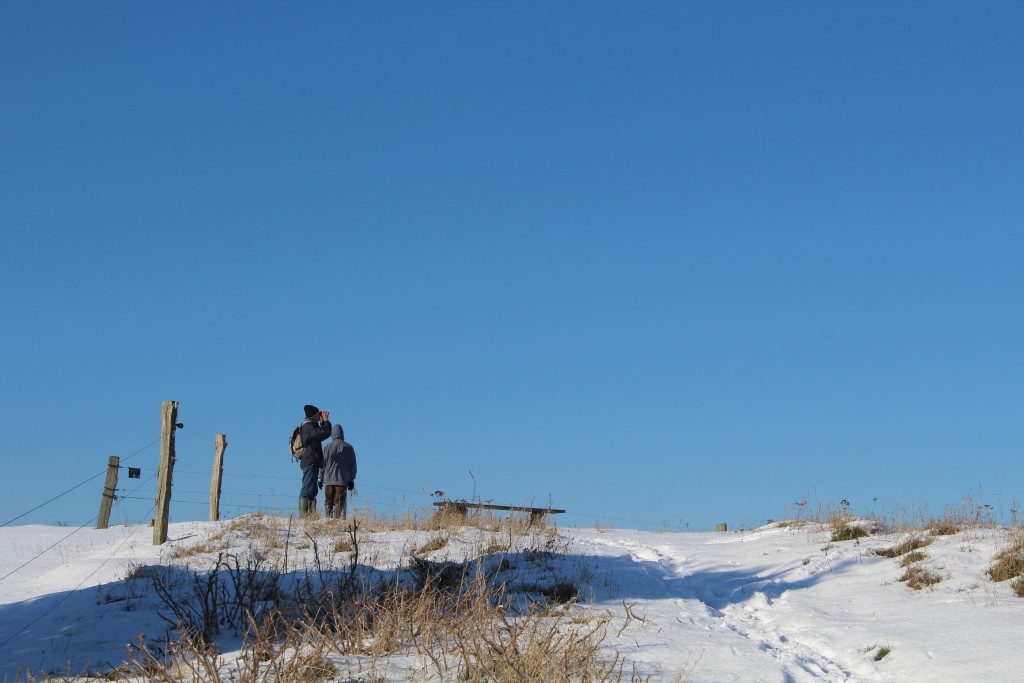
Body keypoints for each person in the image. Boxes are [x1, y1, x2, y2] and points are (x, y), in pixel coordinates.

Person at [298, 404, 331, 517]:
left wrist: (322, 422)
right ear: (313, 415)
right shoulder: (308, 427)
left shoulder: (310, 426)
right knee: (307, 489)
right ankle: (304, 516)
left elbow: (320, 433)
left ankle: (310, 515)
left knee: (311, 490)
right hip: (310, 460)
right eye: (318, 413)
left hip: (311, 461)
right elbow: (324, 433)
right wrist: (325, 421)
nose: (320, 415)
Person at [319, 423, 357, 519]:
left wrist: (320, 478)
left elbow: (321, 464)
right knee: (339, 501)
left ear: (332, 434)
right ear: (342, 433)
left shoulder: (327, 447)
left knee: (328, 501)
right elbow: (353, 465)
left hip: (328, 480)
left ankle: (328, 519)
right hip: (342, 480)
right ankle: (337, 520)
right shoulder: (349, 448)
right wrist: (351, 480)